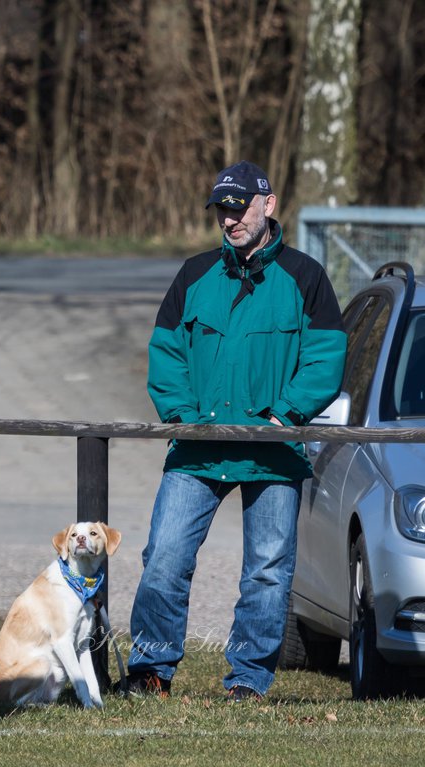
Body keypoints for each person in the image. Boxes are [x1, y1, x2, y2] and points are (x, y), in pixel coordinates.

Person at [121, 160, 346, 702]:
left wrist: (286, 416)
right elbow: (166, 353)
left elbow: (325, 358)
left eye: (238, 206)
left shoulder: (306, 278)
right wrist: (182, 416)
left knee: (268, 573)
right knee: (165, 559)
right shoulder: (195, 274)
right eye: (222, 209)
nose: (229, 219)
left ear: (268, 205)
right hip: (198, 448)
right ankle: (151, 670)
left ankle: (248, 678)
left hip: (273, 451)